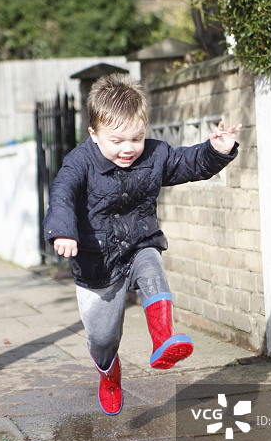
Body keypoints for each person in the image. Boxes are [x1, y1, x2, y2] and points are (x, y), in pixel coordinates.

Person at [43, 73, 240, 416]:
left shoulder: (154, 154)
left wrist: (217, 150)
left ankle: (163, 340)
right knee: (103, 338)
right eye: (116, 140)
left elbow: (188, 162)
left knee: (151, 266)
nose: (128, 148)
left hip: (138, 242)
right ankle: (108, 371)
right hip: (97, 262)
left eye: (136, 137)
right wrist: (63, 231)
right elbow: (62, 193)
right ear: (93, 134)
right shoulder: (79, 161)